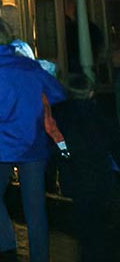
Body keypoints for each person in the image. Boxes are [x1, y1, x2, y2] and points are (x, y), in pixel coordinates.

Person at [0, 17, 66, 262]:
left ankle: (7, 246)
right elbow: (56, 92)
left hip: (1, 145)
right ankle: (40, 257)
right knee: (35, 207)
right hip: (33, 142)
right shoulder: (29, 66)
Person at [51, 72, 120, 262]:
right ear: (90, 93)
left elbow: (56, 145)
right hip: (101, 176)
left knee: (84, 224)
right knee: (104, 225)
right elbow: (114, 144)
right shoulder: (101, 114)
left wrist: (63, 160)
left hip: (74, 176)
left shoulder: (59, 114)